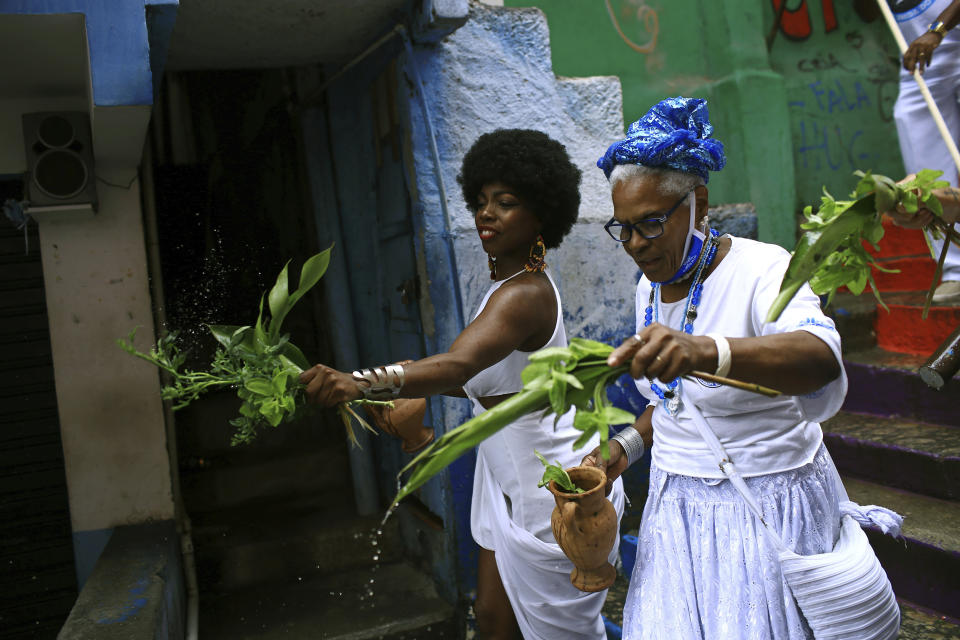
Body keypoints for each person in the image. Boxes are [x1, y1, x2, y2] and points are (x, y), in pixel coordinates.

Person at [580, 97, 901, 639]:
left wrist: (707, 349)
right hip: (678, 512)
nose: (635, 245)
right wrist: (624, 449)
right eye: (624, 229)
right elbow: (677, 407)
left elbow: (820, 357)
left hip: (767, 508)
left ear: (697, 203)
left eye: (651, 224)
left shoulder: (762, 268)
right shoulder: (648, 290)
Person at [300, 129, 625, 640]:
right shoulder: (504, 288)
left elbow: (456, 367)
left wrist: (359, 382)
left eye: (506, 202)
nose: (486, 213)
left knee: (558, 633)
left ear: (541, 215)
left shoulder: (524, 296)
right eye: (480, 202)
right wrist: (399, 383)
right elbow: (481, 382)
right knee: (495, 619)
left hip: (550, 485)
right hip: (504, 476)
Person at [891, 0, 960, 303]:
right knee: (911, 120)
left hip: (942, 33)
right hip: (921, 55)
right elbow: (866, 11)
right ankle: (955, 269)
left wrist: (937, 30)